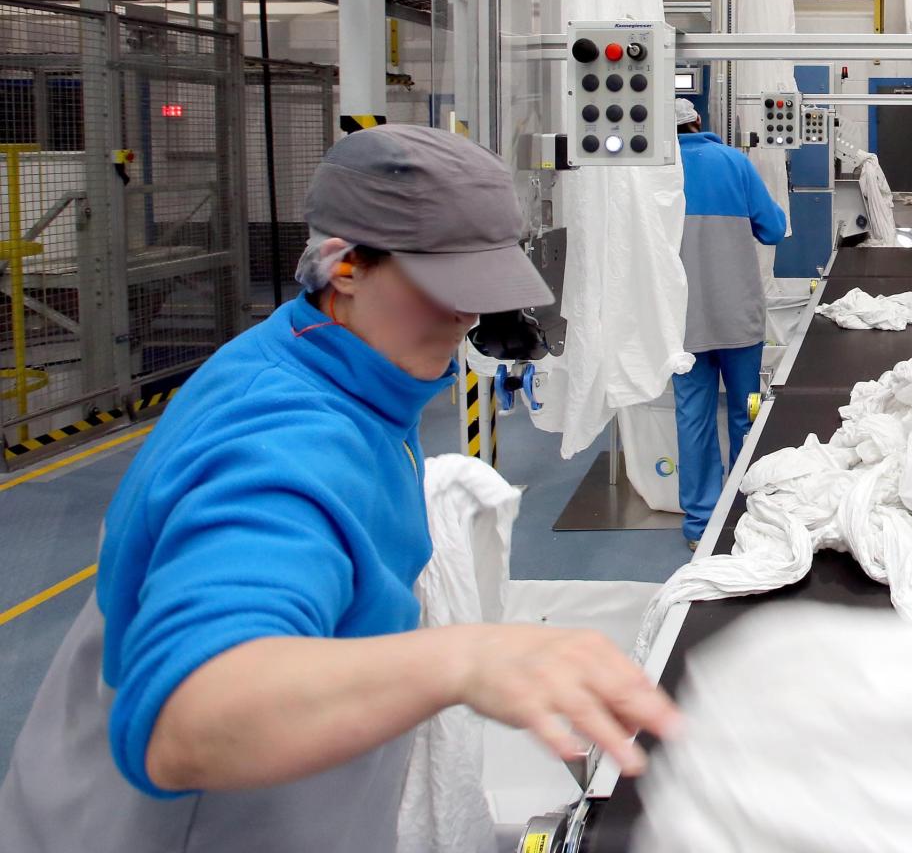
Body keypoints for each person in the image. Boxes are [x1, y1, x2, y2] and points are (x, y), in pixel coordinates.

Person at [0, 125, 680, 852]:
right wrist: (463, 660)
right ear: (343, 266)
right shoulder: (281, 439)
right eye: (447, 286)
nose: (468, 318)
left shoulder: (340, 366)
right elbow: (189, 716)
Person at [673, 98, 787, 549]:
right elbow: (774, 228)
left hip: (683, 325)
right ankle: (744, 513)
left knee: (693, 417)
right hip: (738, 320)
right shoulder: (733, 162)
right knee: (747, 413)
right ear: (701, 123)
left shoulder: (655, 174)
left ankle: (700, 524)